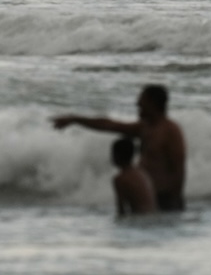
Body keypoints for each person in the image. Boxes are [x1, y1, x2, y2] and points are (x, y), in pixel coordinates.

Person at [52, 84, 186, 211]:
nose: (137, 104)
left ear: (153, 103)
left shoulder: (171, 131)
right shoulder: (145, 128)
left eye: (142, 100)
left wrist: (174, 201)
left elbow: (179, 170)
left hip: (166, 200)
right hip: (147, 196)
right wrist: (75, 120)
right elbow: (109, 125)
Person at [111, 137, 156, 216]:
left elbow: (121, 211)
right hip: (154, 215)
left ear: (117, 155)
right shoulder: (142, 172)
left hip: (139, 219)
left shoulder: (120, 179)